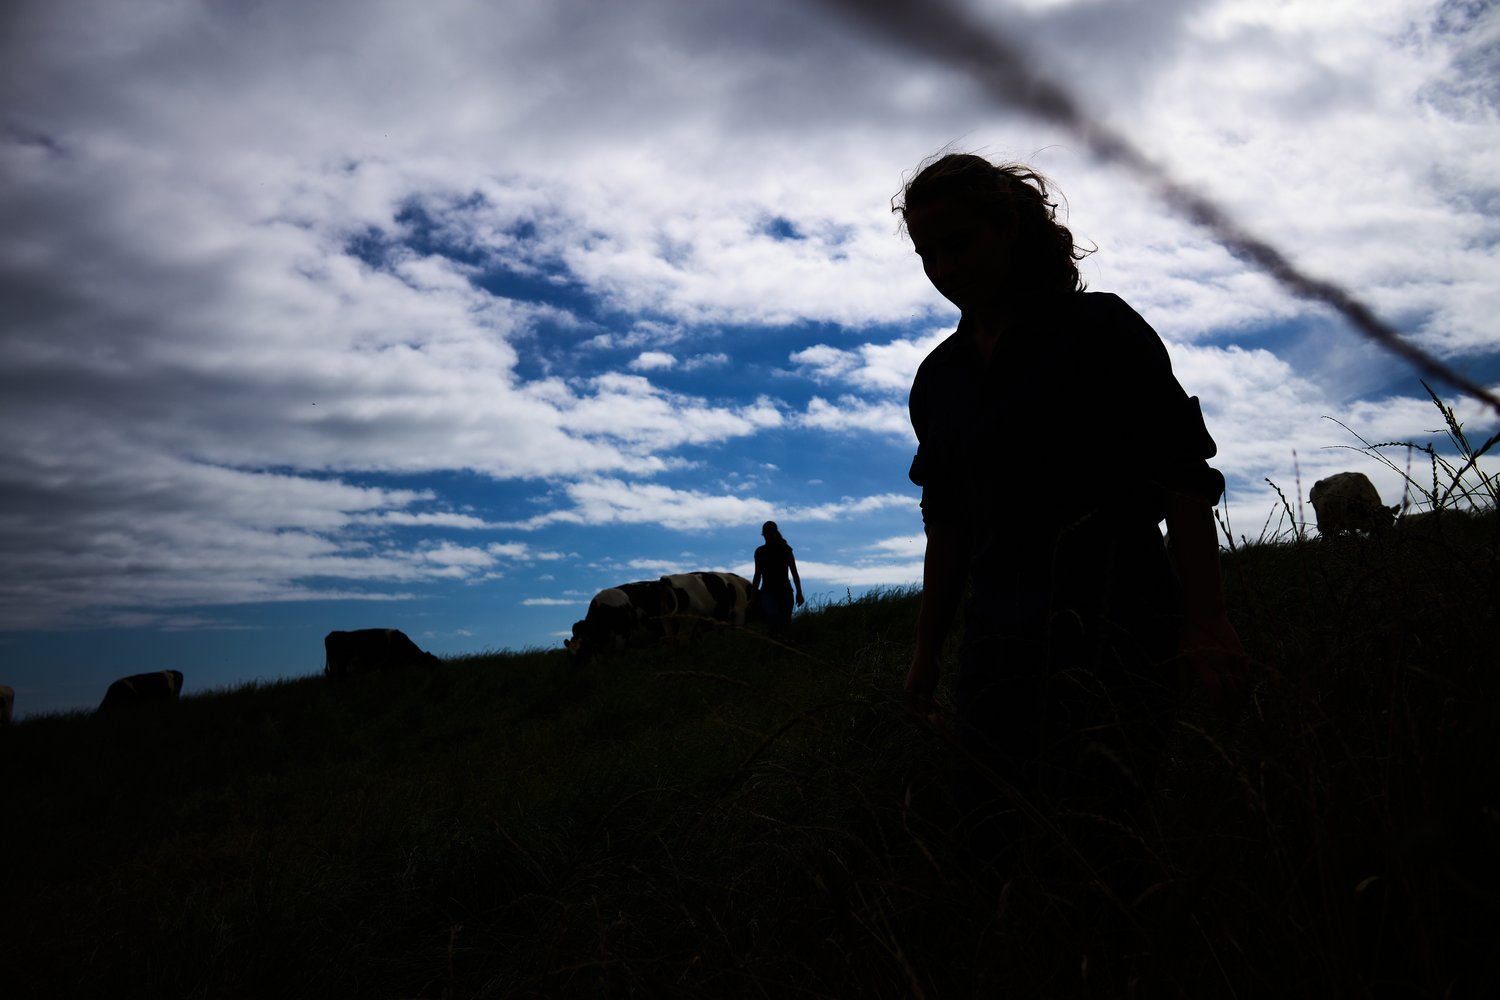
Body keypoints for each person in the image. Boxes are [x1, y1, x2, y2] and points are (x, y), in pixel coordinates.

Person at [897, 152, 1245, 881]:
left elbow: (1183, 475)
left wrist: (1206, 616)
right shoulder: (939, 379)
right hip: (996, 641)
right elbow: (948, 524)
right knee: (987, 838)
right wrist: (928, 653)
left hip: (1118, 624)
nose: (943, 268)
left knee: (1105, 835)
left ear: (1007, 228)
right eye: (926, 254)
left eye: (957, 243)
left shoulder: (1099, 328)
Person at [751, 521, 804, 638]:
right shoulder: (760, 552)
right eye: (766, 534)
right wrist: (753, 596)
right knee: (773, 620)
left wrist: (799, 592)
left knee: (783, 624)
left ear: (775, 533)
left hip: (784, 592)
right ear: (763, 535)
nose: (767, 536)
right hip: (768, 593)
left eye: (769, 533)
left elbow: (794, 572)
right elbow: (757, 575)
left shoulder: (785, 549)